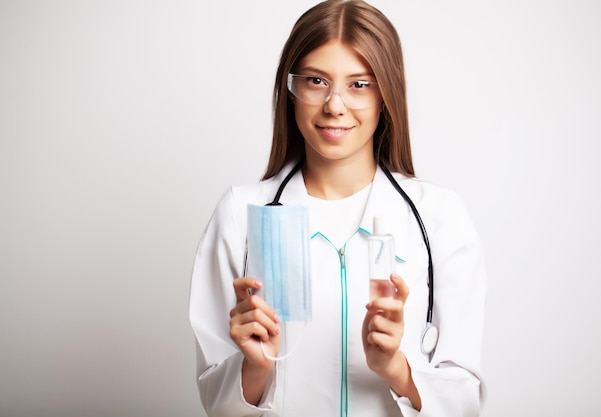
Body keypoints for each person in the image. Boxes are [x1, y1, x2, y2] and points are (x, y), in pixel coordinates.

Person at [189, 1, 487, 416]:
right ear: (289, 91)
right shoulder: (242, 214)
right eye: (315, 81)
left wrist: (397, 370)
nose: (335, 104)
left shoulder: (438, 216)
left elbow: (464, 402)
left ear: (387, 94)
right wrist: (255, 369)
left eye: (359, 84)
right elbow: (216, 405)